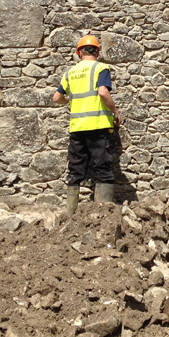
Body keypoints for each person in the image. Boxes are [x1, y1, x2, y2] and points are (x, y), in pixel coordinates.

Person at [53, 35, 122, 214]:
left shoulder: (70, 72)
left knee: (75, 170)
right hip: (98, 126)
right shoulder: (101, 68)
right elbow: (102, 92)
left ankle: (70, 213)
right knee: (102, 168)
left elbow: (56, 98)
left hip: (77, 128)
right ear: (98, 52)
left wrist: (71, 99)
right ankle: (103, 215)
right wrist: (115, 111)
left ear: (79, 52)